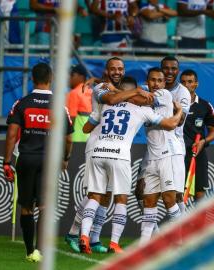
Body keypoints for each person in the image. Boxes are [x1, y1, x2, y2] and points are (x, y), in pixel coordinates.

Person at [79, 76, 183, 254]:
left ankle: (84, 236)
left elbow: (87, 128)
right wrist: (179, 111)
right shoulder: (141, 109)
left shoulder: (107, 104)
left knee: (95, 197)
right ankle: (114, 243)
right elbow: (171, 124)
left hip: (98, 151)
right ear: (136, 91)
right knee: (121, 200)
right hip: (119, 155)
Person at [65, 57, 154, 253]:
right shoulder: (101, 89)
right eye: (112, 69)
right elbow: (114, 99)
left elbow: (136, 93)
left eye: (120, 69)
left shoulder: (115, 87)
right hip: (97, 144)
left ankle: (94, 238)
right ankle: (74, 232)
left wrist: (101, 81)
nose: (116, 72)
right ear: (107, 70)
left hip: (111, 145)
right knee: (95, 194)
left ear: (123, 71)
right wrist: (134, 91)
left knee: (103, 197)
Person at [3, 63, 74, 262]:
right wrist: (65, 158)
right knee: (44, 206)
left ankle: (29, 251)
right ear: (51, 78)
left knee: (26, 206)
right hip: (49, 161)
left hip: (26, 158)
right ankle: (41, 250)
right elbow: (69, 139)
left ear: (33, 79)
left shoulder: (21, 103)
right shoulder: (59, 106)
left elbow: (11, 134)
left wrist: (6, 162)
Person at [139, 67, 184, 244]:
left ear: (164, 83)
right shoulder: (145, 94)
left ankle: (179, 241)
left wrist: (114, 90)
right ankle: (143, 246)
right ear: (147, 81)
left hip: (168, 155)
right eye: (152, 80)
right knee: (148, 202)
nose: (156, 84)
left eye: (159, 80)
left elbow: (133, 95)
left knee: (169, 200)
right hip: (151, 156)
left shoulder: (164, 94)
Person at [160, 56, 191, 214]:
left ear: (178, 70)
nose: (169, 72)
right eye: (166, 68)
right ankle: (154, 235)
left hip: (174, 148)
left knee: (176, 195)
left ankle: (183, 232)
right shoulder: (155, 87)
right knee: (141, 191)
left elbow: (180, 120)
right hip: (155, 147)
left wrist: (165, 100)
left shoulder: (182, 92)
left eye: (173, 68)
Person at [180, 69, 214, 201]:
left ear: (196, 84)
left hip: (198, 153)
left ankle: (198, 222)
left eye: (190, 82)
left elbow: (213, 132)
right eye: (183, 82)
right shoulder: (173, 104)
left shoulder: (205, 106)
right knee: (178, 193)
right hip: (178, 153)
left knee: (199, 193)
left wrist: (203, 142)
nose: (186, 85)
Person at [66, 64, 92, 142]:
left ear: (81, 77)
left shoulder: (74, 93)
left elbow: (71, 119)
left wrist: (67, 139)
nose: (69, 78)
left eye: (72, 75)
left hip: (76, 138)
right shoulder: (90, 91)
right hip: (89, 139)